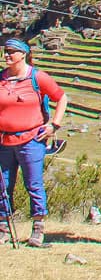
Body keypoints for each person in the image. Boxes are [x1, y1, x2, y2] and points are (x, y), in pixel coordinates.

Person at [0, 38, 68, 247]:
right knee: (3, 186)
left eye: (11, 51)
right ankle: (3, 228)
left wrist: (54, 125)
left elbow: (61, 97)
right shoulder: (1, 79)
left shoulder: (38, 77)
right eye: (5, 51)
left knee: (34, 184)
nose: (6, 55)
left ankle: (38, 228)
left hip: (31, 140)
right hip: (5, 141)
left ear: (23, 54)